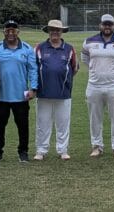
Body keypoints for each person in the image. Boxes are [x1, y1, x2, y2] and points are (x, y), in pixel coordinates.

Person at [82, 14, 114, 158]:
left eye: (110, 24)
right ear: (100, 25)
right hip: (94, 85)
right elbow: (85, 59)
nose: (107, 27)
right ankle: (97, 146)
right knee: (95, 118)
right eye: (105, 24)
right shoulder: (89, 41)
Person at [0, 20, 39, 163]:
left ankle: (23, 152)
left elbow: (33, 69)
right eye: (7, 30)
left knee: (23, 126)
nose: (10, 33)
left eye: (13, 30)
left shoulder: (27, 49)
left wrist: (33, 89)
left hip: (21, 96)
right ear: (3, 32)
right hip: (1, 96)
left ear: (18, 32)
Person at [35, 20, 78, 160]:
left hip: (63, 93)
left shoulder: (69, 49)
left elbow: (74, 68)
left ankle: (62, 150)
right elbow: (34, 68)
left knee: (63, 123)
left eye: (58, 30)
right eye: (52, 29)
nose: (55, 32)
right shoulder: (40, 48)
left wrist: (63, 79)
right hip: (43, 93)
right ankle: (41, 150)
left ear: (62, 32)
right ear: (48, 31)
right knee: (42, 123)